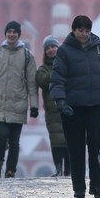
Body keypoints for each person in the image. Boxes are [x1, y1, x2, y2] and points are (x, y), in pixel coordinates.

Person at [50, 15, 100, 198]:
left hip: (97, 104)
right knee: (76, 148)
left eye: (87, 30)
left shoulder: (97, 47)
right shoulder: (64, 51)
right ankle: (79, 187)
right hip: (73, 106)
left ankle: (96, 184)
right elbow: (57, 78)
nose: (84, 34)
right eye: (81, 30)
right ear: (74, 30)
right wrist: (61, 101)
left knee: (96, 144)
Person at [0, 21, 38, 178]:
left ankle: (11, 170)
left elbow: (32, 83)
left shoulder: (27, 56)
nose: (12, 34)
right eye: (9, 31)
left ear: (19, 34)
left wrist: (34, 106)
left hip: (18, 104)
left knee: (15, 141)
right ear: (5, 34)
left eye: (15, 32)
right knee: (2, 135)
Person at [35, 35, 69, 177]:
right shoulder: (43, 69)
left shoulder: (67, 63)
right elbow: (41, 80)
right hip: (52, 112)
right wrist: (56, 72)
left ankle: (69, 170)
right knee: (56, 142)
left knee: (69, 140)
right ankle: (58, 168)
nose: (50, 50)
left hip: (67, 108)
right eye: (48, 48)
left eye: (53, 46)